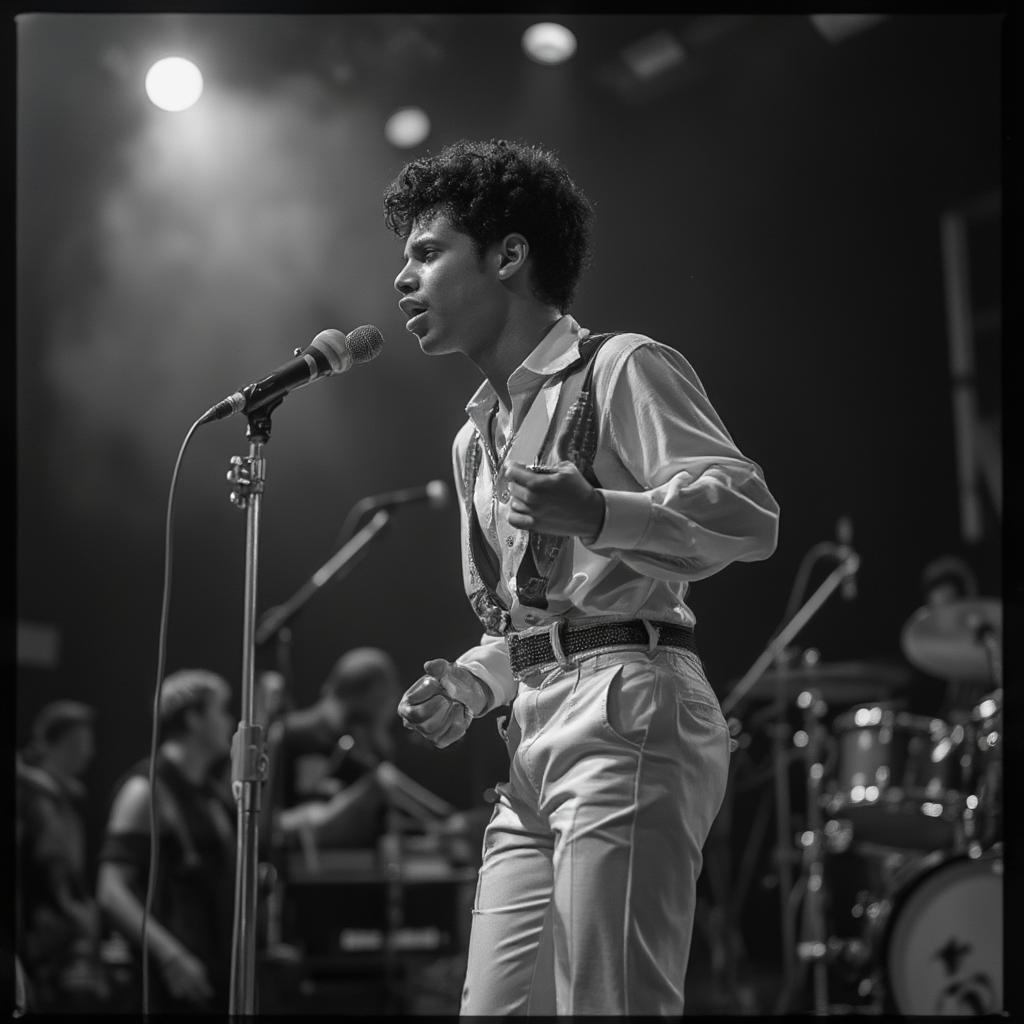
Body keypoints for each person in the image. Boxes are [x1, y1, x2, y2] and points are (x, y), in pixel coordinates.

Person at [385, 138, 780, 1015]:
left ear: (509, 254)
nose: (402, 279)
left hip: (630, 707)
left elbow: (749, 515)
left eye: (426, 251)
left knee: (610, 1005)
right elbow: (534, 606)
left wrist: (602, 511)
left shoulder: (620, 364)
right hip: (532, 731)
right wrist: (475, 682)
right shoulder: (473, 437)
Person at [96, 669, 236, 1014]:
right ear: (193, 718)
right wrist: (171, 957)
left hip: (212, 973)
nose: (229, 721)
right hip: (168, 983)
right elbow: (111, 891)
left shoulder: (211, 796)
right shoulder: (145, 791)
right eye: (221, 710)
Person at [15, 700, 109, 1013]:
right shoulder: (32, 798)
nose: (88, 753)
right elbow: (51, 873)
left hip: (59, 947)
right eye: (79, 744)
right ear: (54, 745)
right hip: (43, 951)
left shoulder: (62, 798)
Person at [267, 647, 404, 850]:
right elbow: (267, 824)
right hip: (302, 874)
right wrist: (352, 803)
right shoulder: (289, 736)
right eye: (378, 710)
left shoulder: (372, 747)